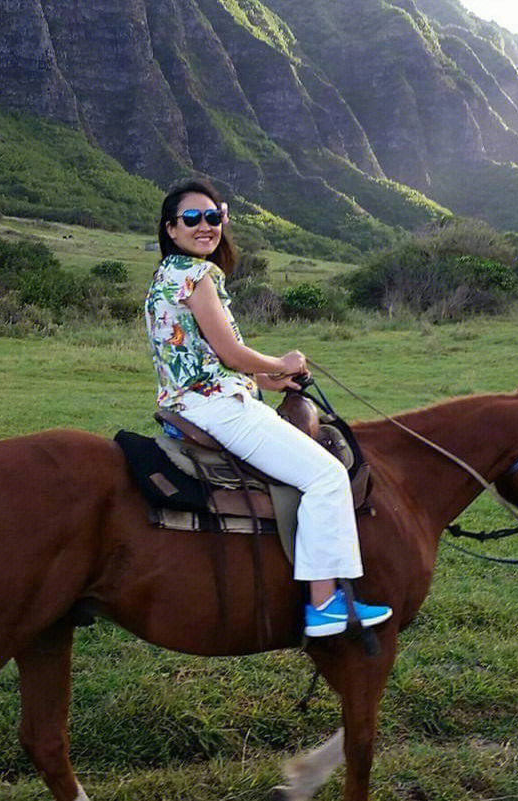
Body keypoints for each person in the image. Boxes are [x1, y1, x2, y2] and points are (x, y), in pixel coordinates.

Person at [144, 178, 392, 637]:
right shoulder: (196, 277)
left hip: (193, 401)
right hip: (219, 408)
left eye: (213, 217)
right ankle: (324, 604)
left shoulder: (166, 276)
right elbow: (230, 352)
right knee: (327, 476)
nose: (206, 227)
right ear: (171, 229)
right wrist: (283, 361)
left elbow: (202, 358)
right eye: (192, 219)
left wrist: (266, 379)